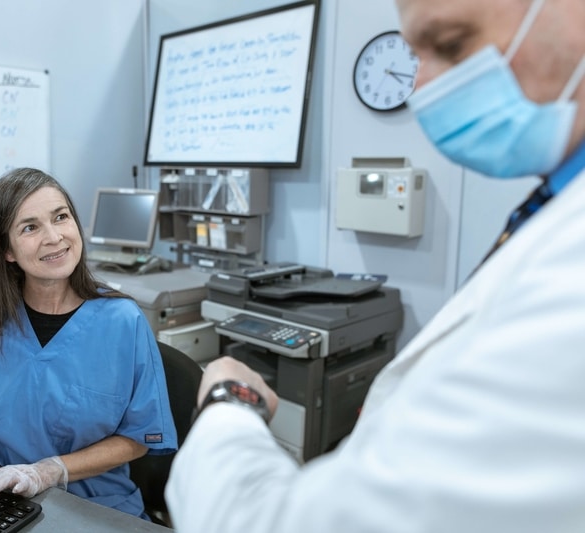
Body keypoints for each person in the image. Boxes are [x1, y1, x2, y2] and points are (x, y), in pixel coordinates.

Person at [165, 0, 585, 531]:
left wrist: (229, 399)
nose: (421, 87)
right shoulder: (556, 205)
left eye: (452, 43)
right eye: (414, 57)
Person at [0, 167, 177, 519]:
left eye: (61, 217)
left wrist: (49, 471)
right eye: (30, 227)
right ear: (7, 250)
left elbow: (138, 439)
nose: (54, 237)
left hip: (95, 509)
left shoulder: (122, 322)